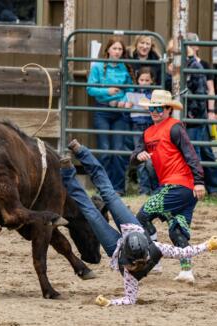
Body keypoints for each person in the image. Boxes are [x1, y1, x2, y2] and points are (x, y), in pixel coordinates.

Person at [60, 139, 217, 306]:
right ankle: (82, 152)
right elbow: (184, 252)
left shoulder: (131, 275)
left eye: (127, 265)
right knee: (109, 194)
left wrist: (109, 302)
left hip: (114, 247)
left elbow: (130, 299)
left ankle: (67, 173)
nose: (127, 268)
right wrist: (207, 245)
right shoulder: (157, 248)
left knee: (91, 213)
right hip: (134, 229)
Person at [131, 89, 206, 283]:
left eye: (159, 108)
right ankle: (186, 271)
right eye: (152, 108)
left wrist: (198, 181)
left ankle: (155, 258)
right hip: (182, 188)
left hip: (179, 185)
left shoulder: (174, 127)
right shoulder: (147, 133)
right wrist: (138, 157)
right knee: (177, 230)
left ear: (168, 109)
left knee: (142, 216)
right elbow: (134, 157)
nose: (155, 112)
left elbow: (191, 154)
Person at [86, 37, 134, 195]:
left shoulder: (124, 67)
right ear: (108, 50)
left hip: (119, 112)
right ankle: (104, 188)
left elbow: (130, 89)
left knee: (119, 151)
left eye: (120, 49)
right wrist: (107, 91)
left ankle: (118, 188)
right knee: (105, 151)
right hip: (103, 110)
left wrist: (125, 100)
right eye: (115, 48)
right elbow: (90, 89)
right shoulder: (99, 67)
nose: (117, 52)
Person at [184, 33, 217, 198]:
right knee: (200, 149)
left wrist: (211, 111)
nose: (190, 47)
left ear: (197, 47)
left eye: (193, 44)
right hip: (189, 113)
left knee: (204, 150)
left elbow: (210, 89)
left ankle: (214, 187)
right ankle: (209, 187)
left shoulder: (204, 64)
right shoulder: (182, 63)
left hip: (201, 112)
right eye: (187, 43)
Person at [124, 67, 159, 195]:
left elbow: (155, 108)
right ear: (137, 80)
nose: (144, 82)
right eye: (141, 80)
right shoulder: (133, 92)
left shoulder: (154, 94)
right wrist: (127, 106)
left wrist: (147, 105)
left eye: (147, 80)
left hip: (150, 127)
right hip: (137, 127)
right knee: (140, 158)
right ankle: (143, 189)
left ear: (152, 81)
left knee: (152, 159)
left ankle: (155, 189)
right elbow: (127, 107)